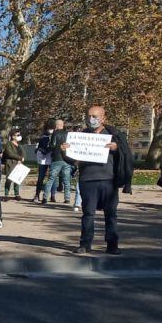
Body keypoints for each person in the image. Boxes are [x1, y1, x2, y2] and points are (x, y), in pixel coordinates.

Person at [62, 106, 133, 254]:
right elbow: (72, 160)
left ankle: (112, 245)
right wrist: (65, 151)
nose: (91, 119)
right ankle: (85, 244)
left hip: (108, 179)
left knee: (110, 214)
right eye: (89, 116)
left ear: (103, 118)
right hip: (88, 179)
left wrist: (116, 148)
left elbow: (126, 154)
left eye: (95, 116)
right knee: (88, 214)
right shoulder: (81, 136)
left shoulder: (114, 135)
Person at [45, 119, 72, 204]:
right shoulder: (68, 134)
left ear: (56, 126)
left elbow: (52, 145)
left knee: (51, 179)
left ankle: (45, 197)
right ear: (63, 125)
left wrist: (48, 148)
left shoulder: (55, 133)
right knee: (67, 180)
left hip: (56, 158)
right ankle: (67, 198)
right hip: (66, 159)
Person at [33, 120, 54, 202]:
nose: (50, 130)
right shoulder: (43, 136)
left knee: (52, 178)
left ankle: (52, 195)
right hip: (43, 159)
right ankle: (37, 195)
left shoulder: (55, 135)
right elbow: (38, 147)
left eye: (51, 128)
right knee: (41, 177)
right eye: (49, 128)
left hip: (52, 158)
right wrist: (40, 150)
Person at [2, 129, 25, 200]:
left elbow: (23, 153)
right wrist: (19, 158)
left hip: (19, 164)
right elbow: (10, 153)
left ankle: (17, 194)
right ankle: (6, 195)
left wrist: (21, 159)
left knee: (17, 179)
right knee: (9, 179)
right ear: (13, 136)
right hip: (10, 163)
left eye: (19, 135)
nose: (19, 136)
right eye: (17, 135)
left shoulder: (19, 145)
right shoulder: (9, 144)